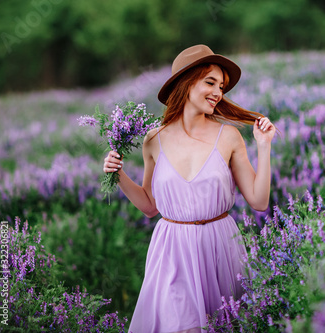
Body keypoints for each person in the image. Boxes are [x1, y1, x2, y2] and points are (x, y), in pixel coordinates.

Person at [102, 44, 277, 332]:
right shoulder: (154, 139)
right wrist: (118, 174)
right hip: (172, 249)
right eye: (210, 82)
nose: (218, 92)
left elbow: (259, 201)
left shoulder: (229, 137)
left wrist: (264, 147)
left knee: (224, 324)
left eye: (221, 86)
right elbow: (149, 206)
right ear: (186, 83)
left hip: (218, 246)